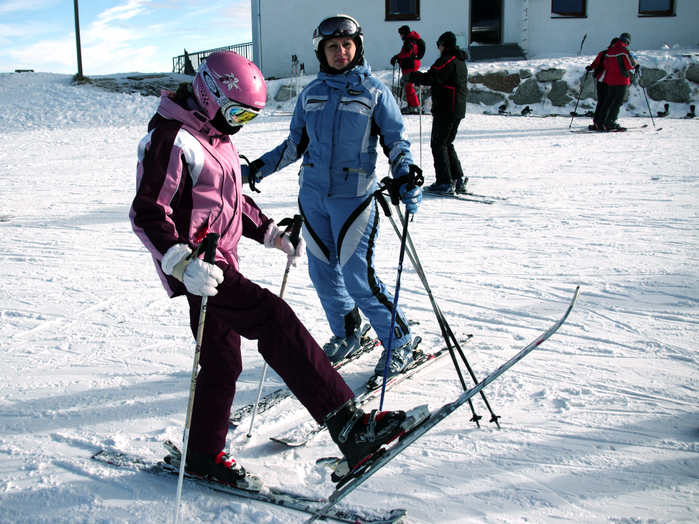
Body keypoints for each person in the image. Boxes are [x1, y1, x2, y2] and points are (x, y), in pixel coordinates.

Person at [129, 50, 416, 484]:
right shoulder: (172, 137)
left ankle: (204, 453)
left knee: (223, 362)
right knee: (274, 319)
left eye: (248, 118)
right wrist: (180, 262)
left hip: (216, 263)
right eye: (236, 113)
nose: (239, 124)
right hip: (200, 268)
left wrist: (269, 232)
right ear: (209, 93)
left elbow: (227, 199)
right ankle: (351, 428)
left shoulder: (214, 133)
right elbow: (147, 212)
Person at [242, 15, 422, 384]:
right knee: (322, 274)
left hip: (353, 198)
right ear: (321, 52)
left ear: (357, 47)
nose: (341, 52)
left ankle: (400, 338)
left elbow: (396, 141)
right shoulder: (311, 94)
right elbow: (294, 146)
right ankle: (349, 332)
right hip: (312, 196)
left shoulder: (374, 92)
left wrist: (406, 173)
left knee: (358, 276)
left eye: (347, 45)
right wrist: (254, 170)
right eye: (332, 47)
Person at [403, 31, 468, 195]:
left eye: (438, 44)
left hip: (446, 108)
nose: (438, 47)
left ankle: (444, 182)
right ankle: (457, 178)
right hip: (456, 108)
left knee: (439, 144)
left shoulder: (447, 60)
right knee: (447, 143)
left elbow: (432, 77)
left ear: (443, 44)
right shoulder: (459, 60)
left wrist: (411, 76)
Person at [597, 32, 638, 132]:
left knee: (608, 100)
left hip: (611, 80)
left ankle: (600, 122)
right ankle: (611, 122)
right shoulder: (624, 51)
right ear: (628, 41)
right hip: (621, 79)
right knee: (617, 101)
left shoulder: (610, 51)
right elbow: (629, 65)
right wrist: (635, 63)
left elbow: (606, 65)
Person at [586, 38, 618, 131]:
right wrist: (591, 67)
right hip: (602, 80)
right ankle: (598, 121)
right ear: (611, 44)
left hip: (612, 81)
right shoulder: (604, 53)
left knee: (607, 101)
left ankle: (602, 120)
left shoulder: (617, 54)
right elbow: (596, 62)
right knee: (603, 101)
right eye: (615, 45)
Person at [390, 25, 422, 114]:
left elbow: (408, 54)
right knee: (408, 86)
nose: (400, 36)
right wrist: (398, 57)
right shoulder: (413, 40)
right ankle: (412, 105)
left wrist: (397, 57)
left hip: (410, 65)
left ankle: (414, 106)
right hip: (413, 64)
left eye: (401, 34)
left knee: (408, 86)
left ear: (404, 33)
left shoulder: (409, 41)